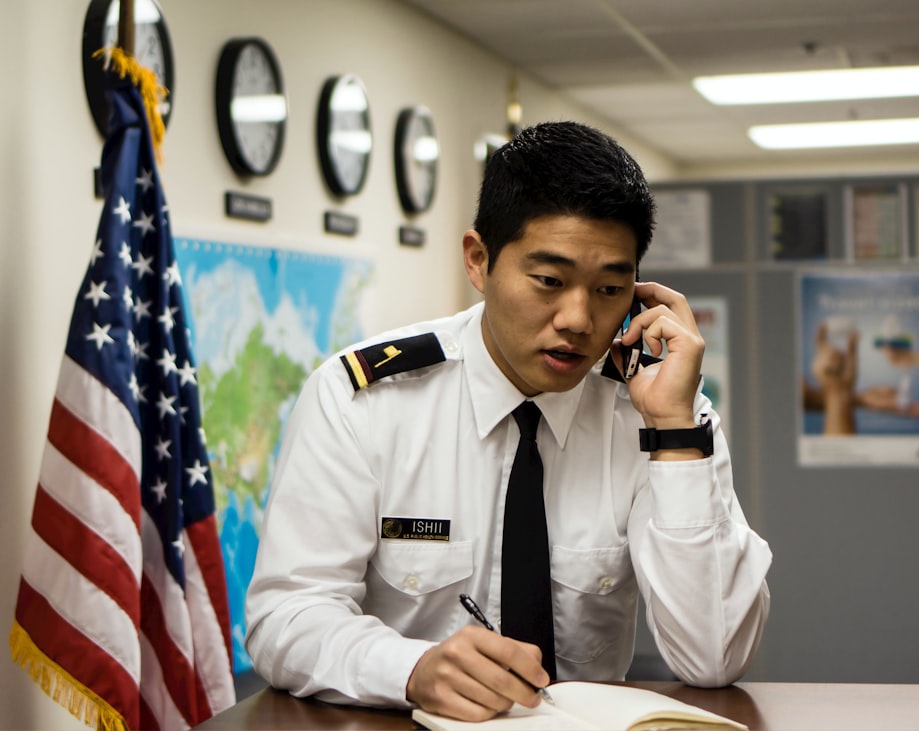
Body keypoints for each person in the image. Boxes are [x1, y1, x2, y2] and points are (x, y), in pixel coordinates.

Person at [244, 121, 772, 722]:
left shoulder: (660, 412)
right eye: (549, 281)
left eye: (608, 289)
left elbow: (716, 659)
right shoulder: (362, 398)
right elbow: (285, 615)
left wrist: (674, 431)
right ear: (479, 260)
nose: (578, 319)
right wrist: (410, 669)